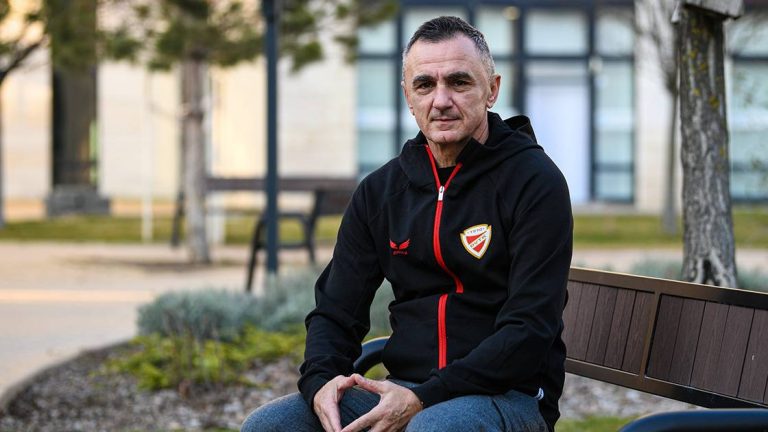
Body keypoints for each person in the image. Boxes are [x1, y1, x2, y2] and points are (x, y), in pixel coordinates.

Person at [241, 15, 572, 432]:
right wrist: (321, 381)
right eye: (425, 85)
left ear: (492, 90)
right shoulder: (382, 191)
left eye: (459, 82)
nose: (441, 100)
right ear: (408, 97)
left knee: (434, 428)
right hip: (405, 388)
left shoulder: (535, 182)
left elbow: (529, 328)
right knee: (271, 425)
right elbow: (335, 311)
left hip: (508, 395)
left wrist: (424, 398)